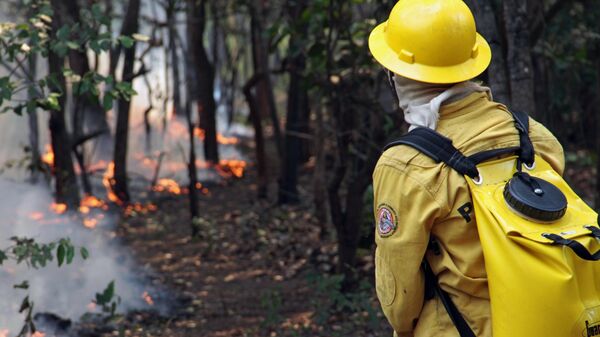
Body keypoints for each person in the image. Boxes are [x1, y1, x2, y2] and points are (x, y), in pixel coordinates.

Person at [368, 1, 565, 336]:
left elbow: (400, 290)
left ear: (397, 74)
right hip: (548, 320)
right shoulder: (530, 134)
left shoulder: (404, 165)